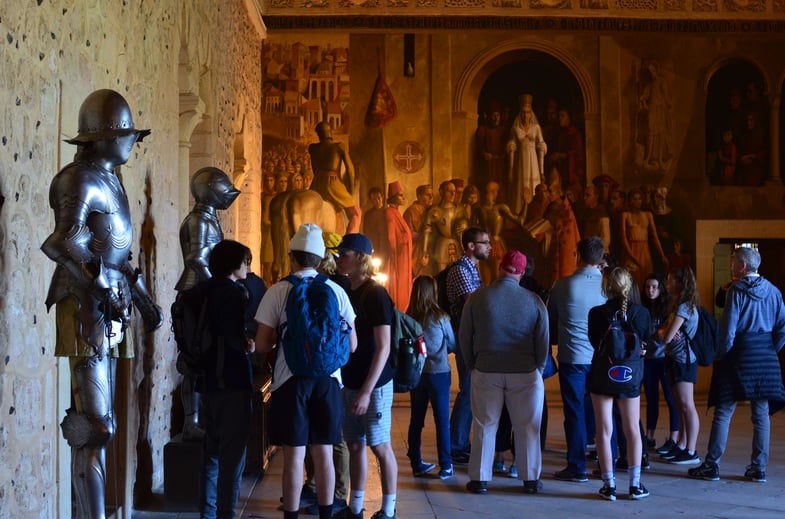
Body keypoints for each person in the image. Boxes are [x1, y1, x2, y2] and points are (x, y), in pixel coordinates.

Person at [41, 89, 163, 519]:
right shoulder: (79, 179)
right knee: (94, 428)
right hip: (86, 305)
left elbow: (117, 253)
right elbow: (61, 243)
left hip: (112, 304)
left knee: (103, 425)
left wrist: (143, 297)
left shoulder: (111, 180)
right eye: (126, 134)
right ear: (106, 136)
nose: (133, 142)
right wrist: (100, 286)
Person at [255, 224, 357, 519]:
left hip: (290, 381)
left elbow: (262, 344)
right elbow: (352, 345)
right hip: (327, 381)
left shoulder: (279, 290)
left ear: (292, 257)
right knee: (323, 451)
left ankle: (291, 515)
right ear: (322, 258)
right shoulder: (337, 291)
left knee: (294, 455)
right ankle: (326, 513)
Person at [689, 247, 785, 483]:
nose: (731, 266)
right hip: (766, 358)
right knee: (761, 415)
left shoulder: (737, 291)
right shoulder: (773, 291)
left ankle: (712, 466)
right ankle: (758, 469)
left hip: (740, 354)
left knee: (723, 411)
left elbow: (728, 329)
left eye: (733, 262)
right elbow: (783, 328)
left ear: (742, 266)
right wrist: (771, 349)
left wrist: (724, 355)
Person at [461, 251, 549, 495]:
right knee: (527, 426)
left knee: (484, 425)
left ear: (501, 268)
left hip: (486, 369)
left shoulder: (478, 297)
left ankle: (479, 479)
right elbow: (543, 341)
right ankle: (530, 479)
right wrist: (537, 369)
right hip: (525, 373)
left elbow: (465, 336)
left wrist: (473, 365)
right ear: (521, 273)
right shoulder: (534, 301)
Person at [335, 233, 398, 519]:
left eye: (344, 254)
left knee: (379, 444)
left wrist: (365, 392)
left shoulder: (375, 293)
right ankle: (355, 507)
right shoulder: (347, 289)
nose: (339, 259)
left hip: (374, 383)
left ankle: (388, 510)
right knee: (355, 444)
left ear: (360, 257)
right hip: (350, 378)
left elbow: (383, 347)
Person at [175, 166, 241, 440]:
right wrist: (218, 287)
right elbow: (197, 259)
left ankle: (204, 418)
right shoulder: (199, 221)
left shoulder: (209, 219)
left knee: (206, 359)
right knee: (191, 362)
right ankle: (191, 422)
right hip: (195, 294)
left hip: (204, 294)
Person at [197, 240, 256, 519]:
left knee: (211, 451)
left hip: (207, 380)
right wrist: (249, 344)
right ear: (234, 264)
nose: (248, 266)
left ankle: (207, 513)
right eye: (245, 261)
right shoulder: (232, 293)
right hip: (231, 379)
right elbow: (232, 335)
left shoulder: (202, 289)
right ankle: (226, 514)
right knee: (232, 456)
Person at [587, 267, 651, 501]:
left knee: (604, 430)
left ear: (606, 287)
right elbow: (646, 346)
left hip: (603, 374)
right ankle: (634, 485)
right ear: (629, 286)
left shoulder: (596, 313)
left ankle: (609, 485)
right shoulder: (642, 314)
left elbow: (595, 343)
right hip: (629, 376)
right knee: (632, 428)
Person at [548, 236, 607, 483]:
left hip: (573, 357)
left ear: (578, 256)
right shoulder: (609, 286)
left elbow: (551, 320)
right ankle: (607, 466)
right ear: (600, 258)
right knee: (605, 412)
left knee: (574, 412)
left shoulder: (562, 285)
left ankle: (577, 467)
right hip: (603, 357)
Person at [447, 227, 492, 465]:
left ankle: (460, 442)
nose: (489, 246)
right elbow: (472, 304)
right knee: (467, 390)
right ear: (471, 246)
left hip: (473, 334)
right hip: (465, 334)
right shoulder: (460, 270)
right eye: (485, 242)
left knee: (471, 389)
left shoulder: (472, 269)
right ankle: (456, 444)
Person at [405, 276, 456, 480]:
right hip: (439, 373)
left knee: (416, 420)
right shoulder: (440, 317)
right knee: (442, 420)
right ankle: (446, 465)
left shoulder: (409, 317)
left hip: (416, 375)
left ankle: (416, 463)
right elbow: (452, 343)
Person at [657, 267, 701, 465]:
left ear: (681, 284)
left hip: (684, 360)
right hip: (676, 359)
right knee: (680, 405)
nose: (668, 284)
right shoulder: (680, 305)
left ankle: (691, 450)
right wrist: (663, 332)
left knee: (687, 405)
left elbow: (666, 336)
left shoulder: (684, 307)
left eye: (671, 280)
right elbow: (665, 332)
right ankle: (682, 445)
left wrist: (662, 333)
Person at [640, 273, 680, 453]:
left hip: (664, 358)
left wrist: (660, 334)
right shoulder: (642, 308)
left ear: (660, 288)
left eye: (654, 287)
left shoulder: (668, 308)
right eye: (648, 287)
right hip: (648, 359)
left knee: (672, 399)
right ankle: (649, 436)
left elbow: (669, 333)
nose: (650, 290)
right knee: (652, 399)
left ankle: (673, 437)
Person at [308, 121, 361, 233]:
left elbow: (315, 170)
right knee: (356, 213)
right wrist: (350, 192)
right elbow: (350, 170)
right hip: (333, 184)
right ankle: (349, 243)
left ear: (319, 134)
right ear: (330, 132)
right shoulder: (338, 147)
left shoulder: (313, 148)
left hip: (316, 184)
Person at [506, 94, 547, 214]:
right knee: (521, 185)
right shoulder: (516, 128)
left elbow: (541, 148)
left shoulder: (536, 128)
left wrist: (541, 171)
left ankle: (534, 213)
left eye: (528, 112)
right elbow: (512, 148)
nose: (525, 115)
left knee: (534, 185)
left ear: (531, 113)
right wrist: (511, 170)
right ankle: (520, 214)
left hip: (533, 161)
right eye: (523, 112)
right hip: (521, 162)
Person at [621, 188, 668, 291]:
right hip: (631, 250)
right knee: (632, 281)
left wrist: (662, 255)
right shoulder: (625, 215)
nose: (637, 201)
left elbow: (655, 236)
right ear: (630, 200)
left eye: (639, 199)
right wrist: (632, 256)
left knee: (646, 279)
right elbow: (624, 238)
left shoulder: (648, 215)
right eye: (634, 199)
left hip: (645, 251)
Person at [379, 181, 413, 311]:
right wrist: (394, 256)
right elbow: (390, 237)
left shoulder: (397, 212)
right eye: (400, 195)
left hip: (403, 258)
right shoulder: (389, 212)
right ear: (393, 197)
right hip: (398, 259)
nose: (403, 198)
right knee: (398, 286)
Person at [421, 181, 460, 274]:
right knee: (441, 277)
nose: (452, 194)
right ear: (442, 192)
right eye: (449, 191)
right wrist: (425, 251)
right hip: (441, 246)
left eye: (454, 191)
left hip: (456, 246)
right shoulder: (435, 210)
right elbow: (427, 231)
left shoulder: (459, 210)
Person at [403, 184, 434, 277]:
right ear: (419, 196)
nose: (431, 197)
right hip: (415, 251)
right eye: (427, 194)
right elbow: (408, 233)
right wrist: (422, 235)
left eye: (431, 194)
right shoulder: (411, 211)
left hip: (430, 251)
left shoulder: (432, 211)